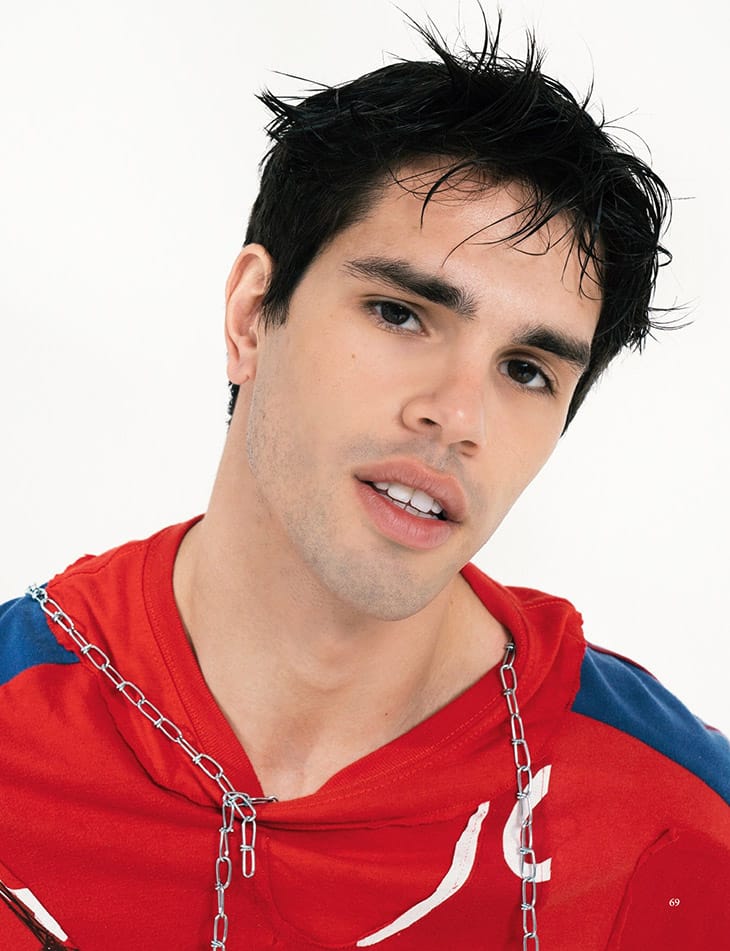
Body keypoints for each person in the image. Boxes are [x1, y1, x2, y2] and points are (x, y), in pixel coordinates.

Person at [1, 16, 728, 951]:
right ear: (252, 316)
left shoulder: (673, 818)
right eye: (400, 313)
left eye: (526, 370)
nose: (456, 414)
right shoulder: (18, 727)